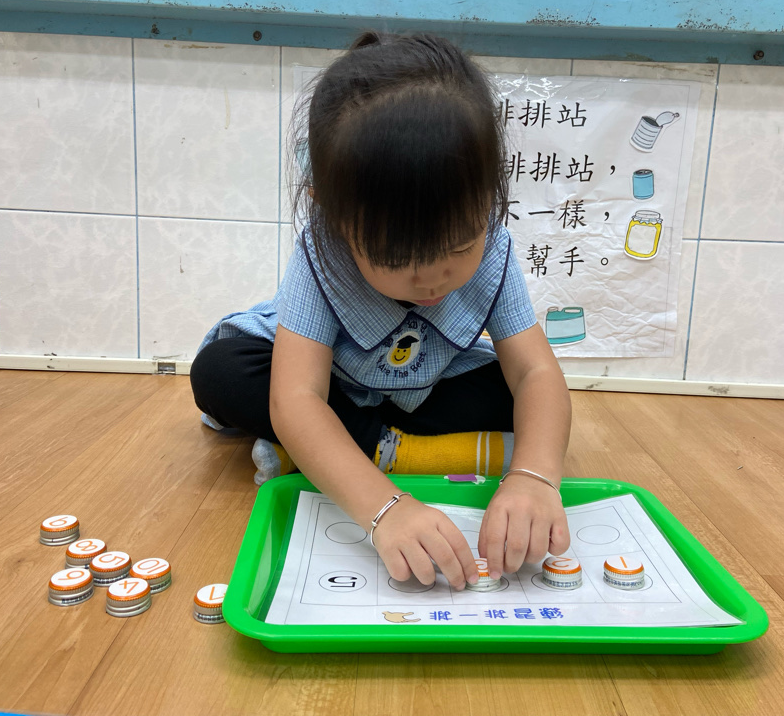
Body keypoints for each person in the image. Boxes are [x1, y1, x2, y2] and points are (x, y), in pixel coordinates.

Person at [190, 31, 571, 591]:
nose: (433, 279)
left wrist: (535, 477)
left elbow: (535, 370)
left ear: (491, 198)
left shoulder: (495, 247)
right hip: (337, 387)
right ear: (334, 218)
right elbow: (297, 397)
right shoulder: (322, 252)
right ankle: (394, 455)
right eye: (397, 258)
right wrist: (384, 508)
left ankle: (325, 456)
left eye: (460, 245)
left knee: (519, 396)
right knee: (223, 372)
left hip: (422, 387)